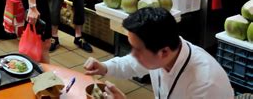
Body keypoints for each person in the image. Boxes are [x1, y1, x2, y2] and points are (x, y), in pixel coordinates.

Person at [84, 8, 234, 99]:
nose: (133, 55)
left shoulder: (206, 85)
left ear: (164, 52)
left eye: (138, 50)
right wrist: (104, 67)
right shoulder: (165, 54)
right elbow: (132, 63)